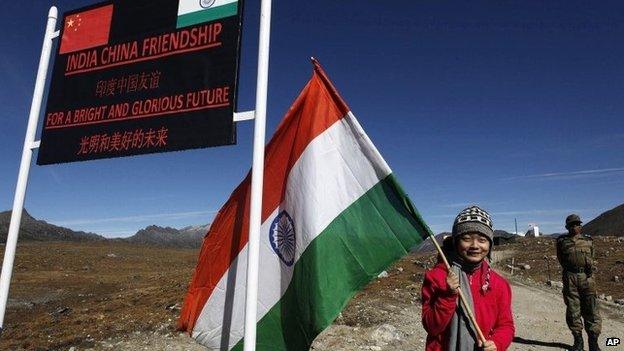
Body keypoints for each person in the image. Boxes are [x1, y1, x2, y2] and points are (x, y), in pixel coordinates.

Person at [422, 206, 514, 351]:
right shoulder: (436, 277)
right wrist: (448, 295)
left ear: (490, 245)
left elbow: (506, 325)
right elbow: (431, 327)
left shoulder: (499, 284)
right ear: (456, 242)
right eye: (466, 239)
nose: (475, 246)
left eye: (482, 240)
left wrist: (497, 342)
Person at [556, 214, 602, 351]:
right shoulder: (562, 241)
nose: (575, 226)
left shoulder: (588, 240)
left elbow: (592, 256)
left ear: (581, 226)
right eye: (572, 224)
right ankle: (578, 342)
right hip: (570, 277)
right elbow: (561, 259)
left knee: (592, 309)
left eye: (577, 224)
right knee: (573, 309)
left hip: (587, 278)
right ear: (567, 227)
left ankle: (593, 343)